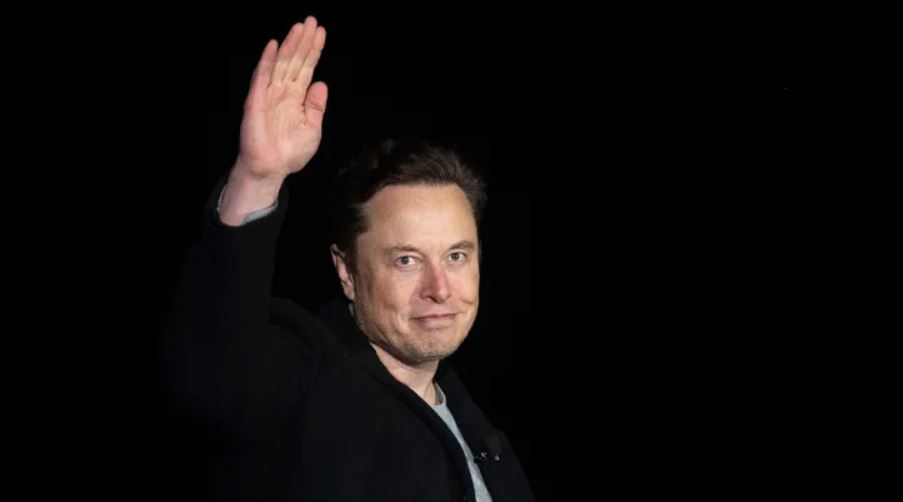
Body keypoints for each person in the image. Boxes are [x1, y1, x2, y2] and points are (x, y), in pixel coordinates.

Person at [164, 16, 534, 502]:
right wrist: (257, 179)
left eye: (457, 256)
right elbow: (217, 375)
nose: (440, 288)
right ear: (347, 272)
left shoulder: (472, 420)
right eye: (406, 260)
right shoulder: (304, 381)